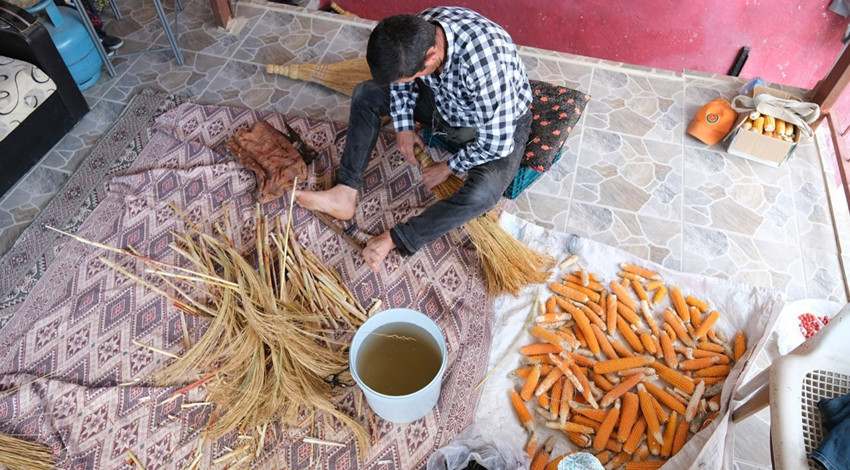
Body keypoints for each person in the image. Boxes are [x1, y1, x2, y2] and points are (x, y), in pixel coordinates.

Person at [295, 7, 532, 272]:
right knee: (366, 93)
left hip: (492, 124)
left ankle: (398, 238)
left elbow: (496, 143)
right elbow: (401, 82)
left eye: (412, 75)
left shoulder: (486, 65)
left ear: (432, 56)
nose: (407, 80)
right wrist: (403, 126)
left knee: (483, 195)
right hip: (444, 104)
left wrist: (448, 167)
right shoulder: (417, 28)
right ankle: (344, 192)